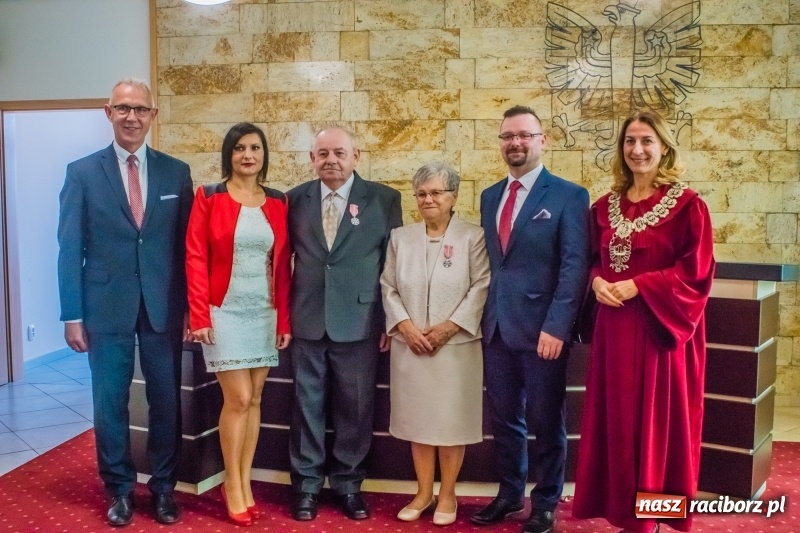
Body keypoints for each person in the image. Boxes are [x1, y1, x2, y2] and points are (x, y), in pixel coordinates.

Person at [57, 78, 193, 526]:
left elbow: (184, 247)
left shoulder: (176, 172)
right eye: (123, 108)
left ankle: (163, 489)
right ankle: (118, 489)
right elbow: (68, 247)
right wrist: (72, 315)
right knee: (109, 401)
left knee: (165, 399)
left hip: (163, 306)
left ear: (154, 115)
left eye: (140, 109)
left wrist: (194, 308)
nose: (131, 116)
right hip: (104, 307)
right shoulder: (81, 172)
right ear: (108, 112)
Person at [572, 109, 715, 533]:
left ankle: (656, 516)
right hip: (614, 331)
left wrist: (641, 286)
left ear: (664, 147)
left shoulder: (689, 206)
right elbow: (595, 261)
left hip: (660, 333)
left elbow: (698, 272)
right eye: (630, 141)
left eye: (647, 141)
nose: (637, 149)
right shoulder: (603, 207)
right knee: (616, 422)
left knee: (658, 427)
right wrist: (597, 283)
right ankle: (623, 514)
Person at [472, 105, 591, 533]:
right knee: (504, 418)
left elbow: (575, 267)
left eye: (524, 135)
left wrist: (558, 326)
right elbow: (496, 266)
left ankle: (545, 502)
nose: (515, 143)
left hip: (544, 332)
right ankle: (508, 495)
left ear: (544, 140)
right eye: (508, 136)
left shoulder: (569, 195)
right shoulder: (489, 196)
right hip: (498, 329)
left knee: (545, 419)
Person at [286, 126, 402, 521]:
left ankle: (349, 485)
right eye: (322, 154)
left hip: (361, 319)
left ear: (356, 155)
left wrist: (389, 320)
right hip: (306, 318)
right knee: (306, 406)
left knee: (355, 406)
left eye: (339, 152)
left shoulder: (385, 199)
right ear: (312, 158)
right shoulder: (294, 200)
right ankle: (305, 487)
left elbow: (392, 264)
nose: (331, 160)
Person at [185, 123, 291, 527]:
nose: (248, 155)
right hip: (222, 311)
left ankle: (246, 482)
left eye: (255, 148)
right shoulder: (209, 196)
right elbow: (194, 255)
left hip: (263, 311)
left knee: (258, 398)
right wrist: (199, 315)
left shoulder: (279, 201)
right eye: (240, 148)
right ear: (229, 154)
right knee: (240, 398)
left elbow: (283, 266)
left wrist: (283, 316)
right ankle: (232, 484)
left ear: (264, 155)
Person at [380, 162, 490, 526]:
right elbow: (388, 286)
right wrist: (405, 327)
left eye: (436, 192)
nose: (428, 199)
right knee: (419, 424)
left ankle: (448, 494)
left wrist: (447, 328)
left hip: (455, 347)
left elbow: (480, 286)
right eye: (422, 193)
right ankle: (424, 492)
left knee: (449, 423)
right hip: (410, 346)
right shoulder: (400, 237)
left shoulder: (473, 236)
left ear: (453, 196)